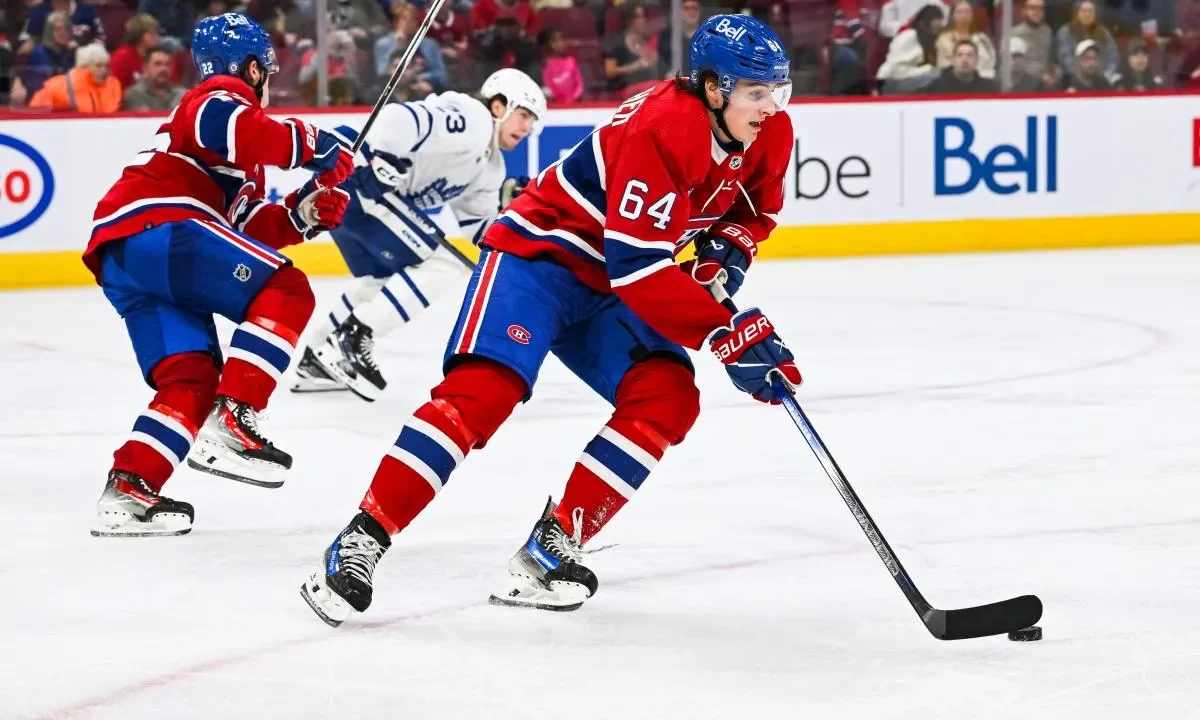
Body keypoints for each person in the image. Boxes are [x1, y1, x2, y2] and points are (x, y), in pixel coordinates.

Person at [299, 14, 802, 626]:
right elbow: (637, 266)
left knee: (667, 398)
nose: (770, 106)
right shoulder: (663, 123)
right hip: (540, 258)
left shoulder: (770, 132)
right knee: (482, 395)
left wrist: (730, 250)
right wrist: (724, 332)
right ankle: (359, 541)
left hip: (612, 280)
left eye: (777, 91)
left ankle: (550, 548)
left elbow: (757, 211)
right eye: (756, 92)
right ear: (713, 87)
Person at [83, 12, 355, 538]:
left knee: (192, 378)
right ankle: (236, 417)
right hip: (162, 226)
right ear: (252, 69)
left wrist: (305, 210)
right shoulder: (217, 96)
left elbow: (246, 229)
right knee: (287, 288)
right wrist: (314, 145)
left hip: (128, 257)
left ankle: (129, 489)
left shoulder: (233, 156)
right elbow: (232, 124)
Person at [291, 68, 545, 400]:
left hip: (360, 200)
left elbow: (480, 231)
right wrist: (379, 154)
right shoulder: (473, 118)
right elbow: (399, 118)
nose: (526, 127)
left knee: (381, 279)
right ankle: (355, 336)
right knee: (444, 264)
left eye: (532, 120)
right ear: (498, 105)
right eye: (523, 114)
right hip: (359, 182)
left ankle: (315, 358)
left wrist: (512, 210)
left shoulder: (492, 167)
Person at [29, 42, 122, 113]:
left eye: (106, 66)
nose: (104, 70)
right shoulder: (59, 86)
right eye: (98, 66)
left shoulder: (113, 86)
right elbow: (36, 111)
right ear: (84, 66)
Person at [876, 3, 945, 93]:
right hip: (891, 82)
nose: (940, 24)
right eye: (936, 19)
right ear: (926, 21)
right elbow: (895, 70)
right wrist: (927, 69)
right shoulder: (908, 36)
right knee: (935, 76)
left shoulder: (932, 41)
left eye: (941, 19)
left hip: (909, 80)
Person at [935, 0, 996, 78]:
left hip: (985, 79)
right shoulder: (944, 39)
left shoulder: (982, 38)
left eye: (967, 12)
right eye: (960, 12)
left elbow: (991, 60)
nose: (964, 15)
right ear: (952, 15)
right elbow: (945, 65)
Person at [122, 45, 186, 110]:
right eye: (157, 64)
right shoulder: (134, 94)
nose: (163, 68)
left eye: (167, 64)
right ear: (145, 68)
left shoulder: (182, 95)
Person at [926, 39, 999, 92]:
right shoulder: (938, 87)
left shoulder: (989, 88)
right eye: (959, 55)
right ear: (953, 60)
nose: (964, 59)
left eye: (970, 55)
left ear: (977, 60)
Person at [539, 27, 583, 102]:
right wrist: (560, 101)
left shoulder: (571, 61)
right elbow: (548, 86)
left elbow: (579, 84)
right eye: (554, 41)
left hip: (574, 105)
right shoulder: (545, 64)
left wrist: (572, 99)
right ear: (547, 44)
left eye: (562, 39)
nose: (559, 43)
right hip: (556, 107)